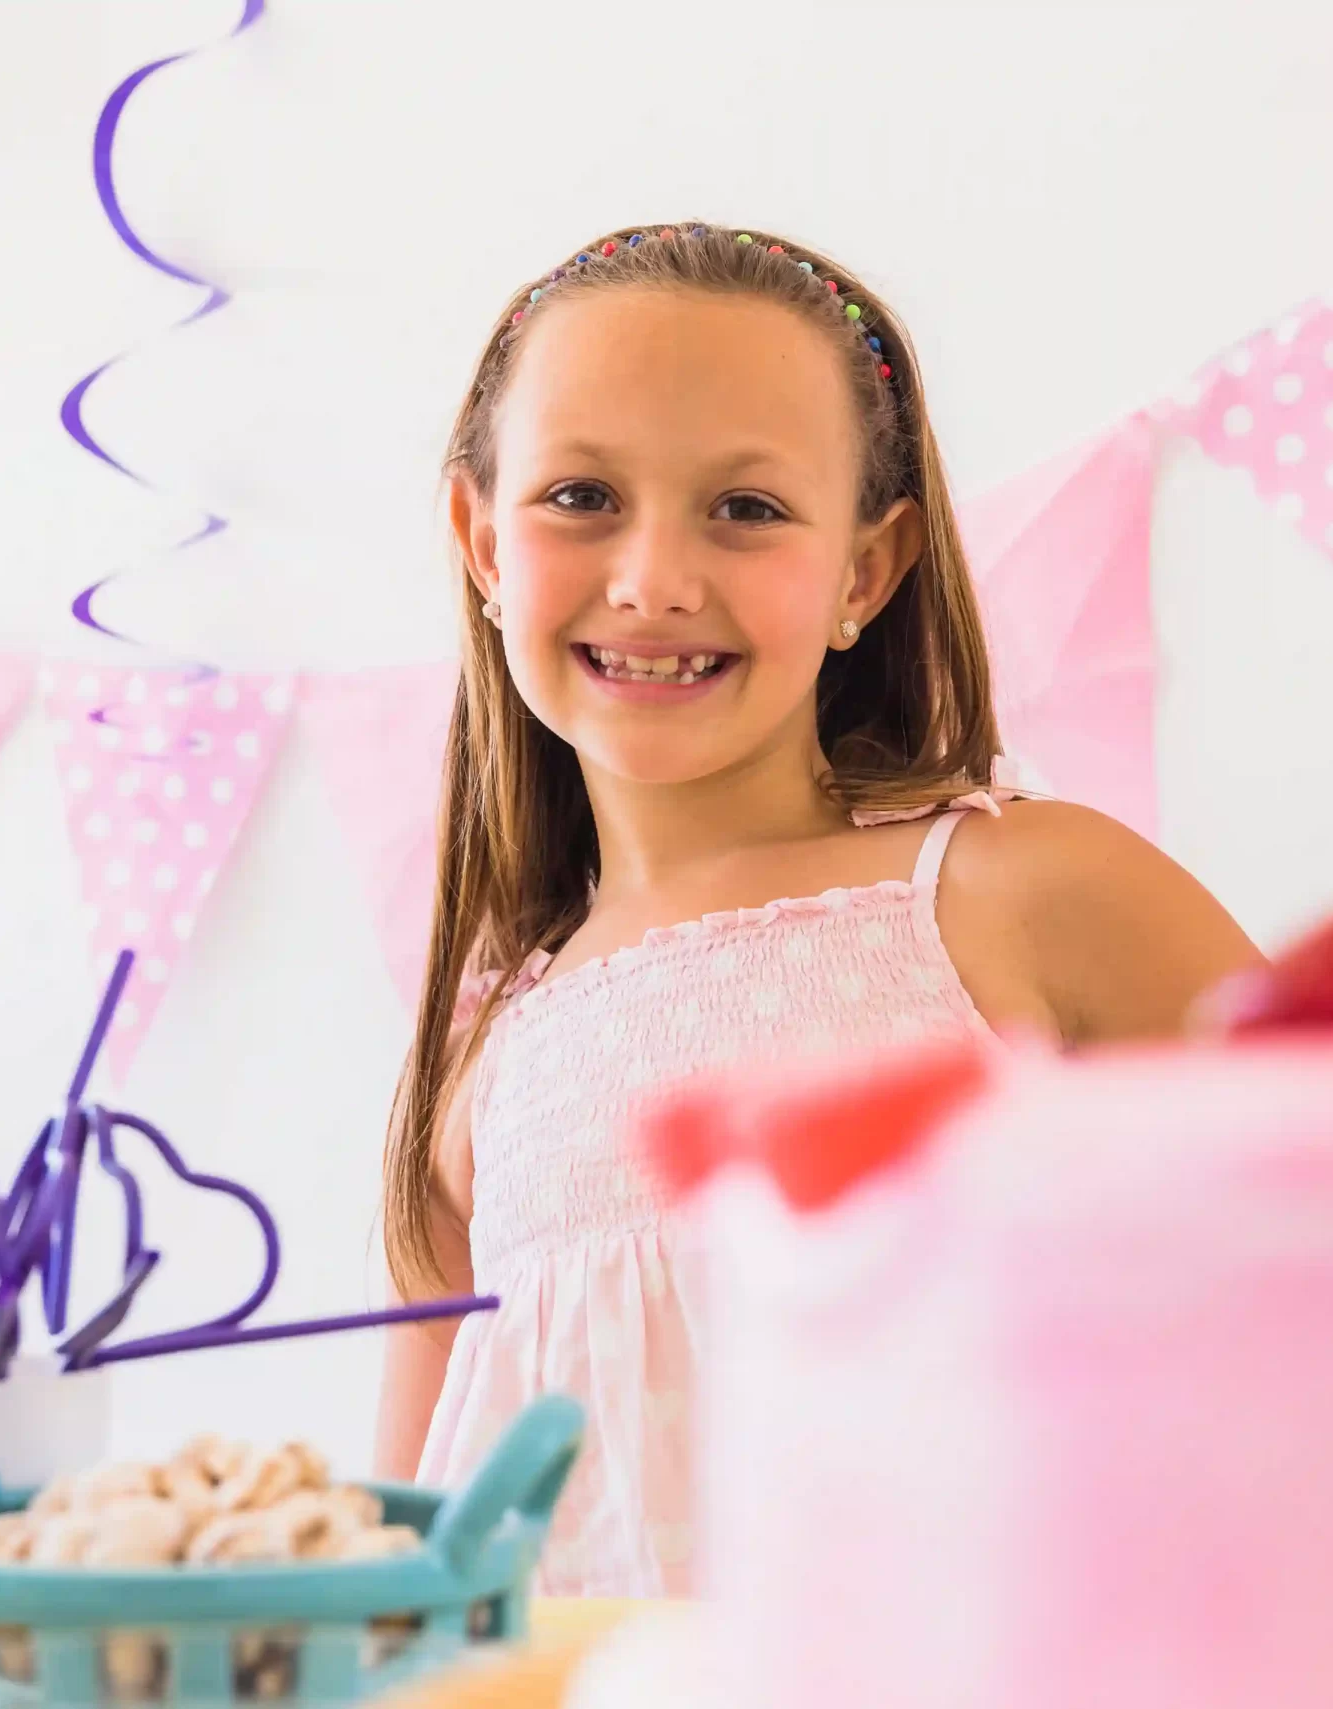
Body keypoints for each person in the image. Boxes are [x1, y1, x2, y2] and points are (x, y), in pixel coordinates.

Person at [374, 222, 1258, 1596]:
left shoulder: (1031, 900)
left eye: (746, 508)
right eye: (581, 496)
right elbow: (398, 1602)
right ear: (481, 542)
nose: (653, 580)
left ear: (866, 570)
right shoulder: (484, 1081)